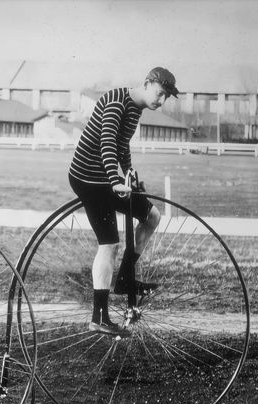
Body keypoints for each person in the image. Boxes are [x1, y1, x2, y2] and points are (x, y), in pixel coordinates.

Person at [68, 67, 179, 336]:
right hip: (89, 179)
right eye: (159, 93)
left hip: (106, 179)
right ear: (147, 83)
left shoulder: (135, 109)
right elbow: (107, 142)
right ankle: (99, 316)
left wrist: (128, 175)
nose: (161, 101)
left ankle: (126, 278)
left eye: (165, 97)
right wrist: (115, 179)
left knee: (152, 216)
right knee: (109, 245)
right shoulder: (118, 102)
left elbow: (122, 145)